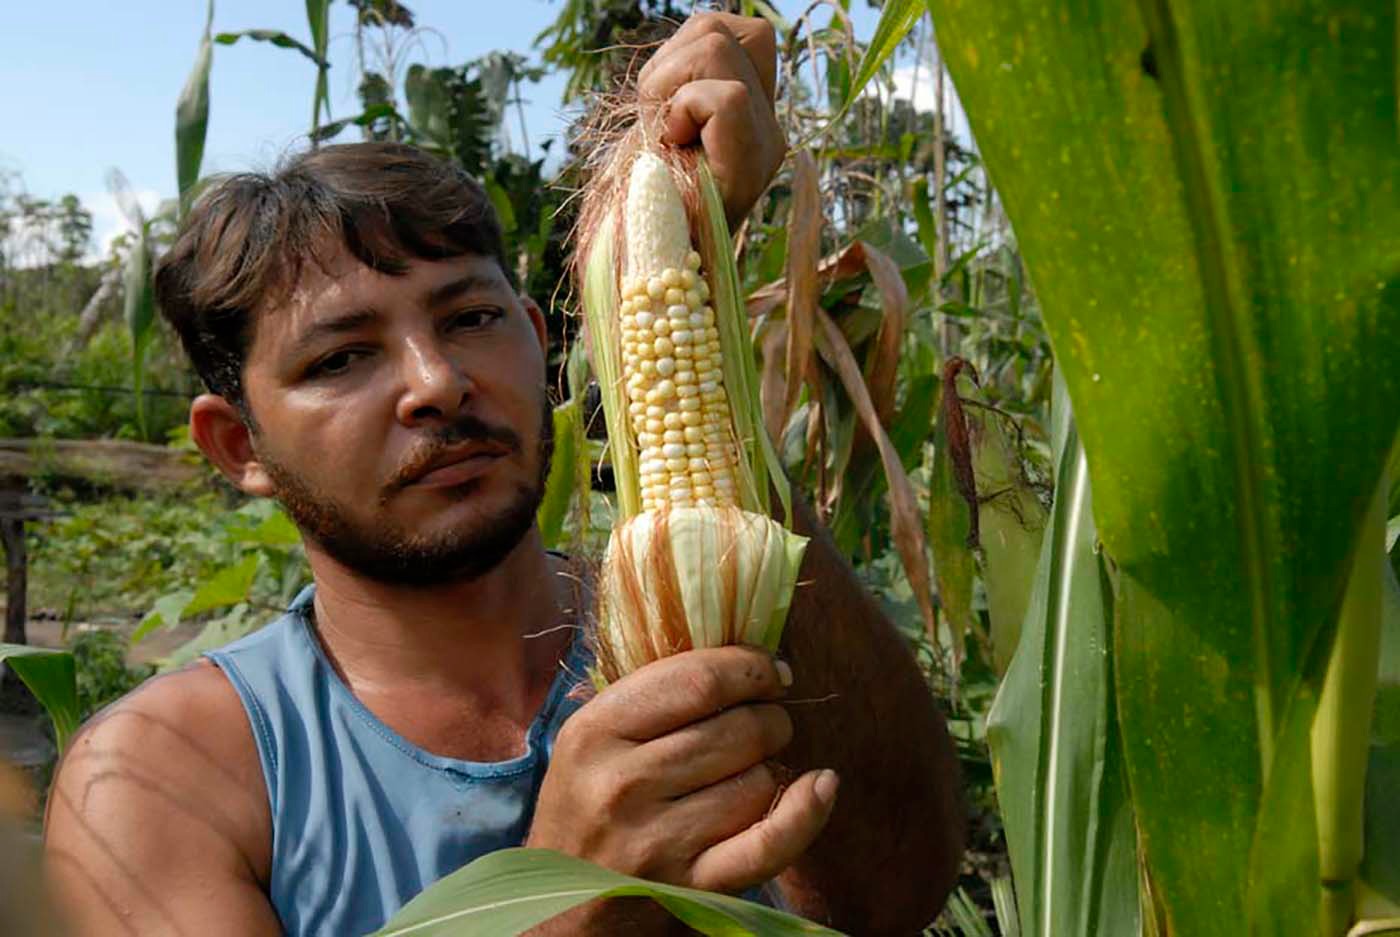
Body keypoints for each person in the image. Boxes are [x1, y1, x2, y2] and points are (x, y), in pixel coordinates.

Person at [43, 13, 963, 936]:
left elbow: (894, 895)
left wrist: (694, 285)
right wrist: (570, 900)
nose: (438, 383)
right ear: (238, 447)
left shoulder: (711, 622)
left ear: (538, 334)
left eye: (472, 319)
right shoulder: (158, 778)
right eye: (339, 361)